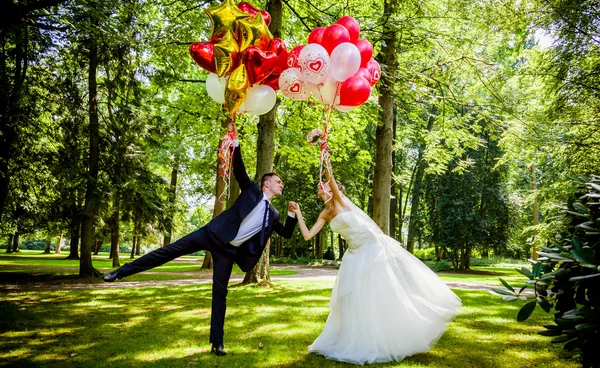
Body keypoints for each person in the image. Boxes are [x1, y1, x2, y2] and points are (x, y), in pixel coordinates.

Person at [102, 123, 298, 357]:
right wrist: (234, 143)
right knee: (170, 251)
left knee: (220, 294)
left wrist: (291, 215)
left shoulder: (274, 215)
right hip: (211, 234)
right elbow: (239, 169)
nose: (281, 184)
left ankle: (217, 343)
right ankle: (120, 272)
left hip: (228, 252)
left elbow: (286, 233)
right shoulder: (253, 189)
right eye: (278, 181)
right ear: (267, 183)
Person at [290, 159, 461, 365]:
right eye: (324, 184)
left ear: (332, 188)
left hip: (372, 250)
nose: (321, 185)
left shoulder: (340, 200)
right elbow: (308, 235)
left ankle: (393, 333)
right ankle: (356, 338)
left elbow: (330, 177)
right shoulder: (325, 213)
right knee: (353, 298)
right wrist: (298, 214)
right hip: (354, 255)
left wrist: (325, 155)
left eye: (324, 184)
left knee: (378, 293)